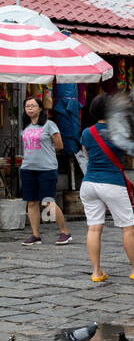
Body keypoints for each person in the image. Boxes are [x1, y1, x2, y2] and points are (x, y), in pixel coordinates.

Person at [79, 93, 134, 282]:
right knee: (128, 227)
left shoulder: (86, 132)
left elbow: (88, 155)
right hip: (112, 183)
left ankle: (96, 272)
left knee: (94, 228)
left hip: (89, 183)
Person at [19, 96, 72, 246]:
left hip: (46, 169)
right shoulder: (26, 126)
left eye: (33, 105)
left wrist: (46, 153)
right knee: (31, 203)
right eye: (27, 106)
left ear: (41, 108)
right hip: (27, 169)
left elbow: (59, 145)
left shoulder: (49, 125)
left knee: (47, 202)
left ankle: (64, 232)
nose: (30, 108)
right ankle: (35, 235)